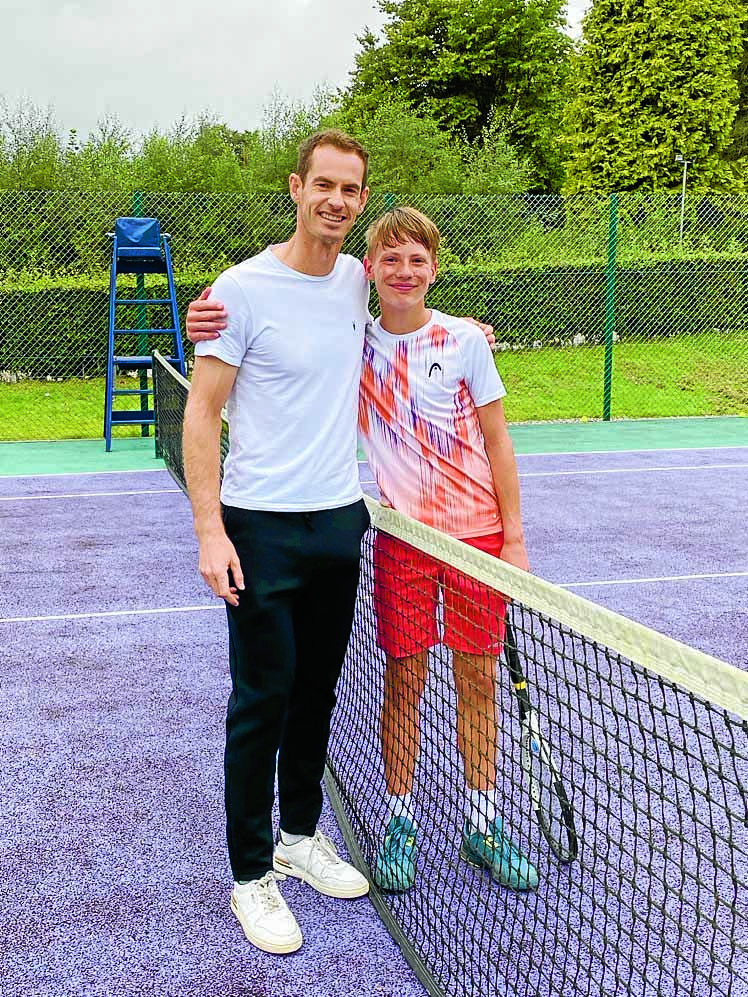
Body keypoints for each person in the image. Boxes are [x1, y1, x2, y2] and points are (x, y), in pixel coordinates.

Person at [182, 130, 374, 956]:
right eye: (323, 184)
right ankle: (251, 874)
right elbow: (201, 411)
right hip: (259, 525)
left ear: (360, 201)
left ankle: (300, 833)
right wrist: (209, 529)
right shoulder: (239, 289)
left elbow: (407, 315)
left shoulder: (359, 280)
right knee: (260, 702)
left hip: (339, 520)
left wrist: (460, 327)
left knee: (317, 694)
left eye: (351, 190)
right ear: (297, 188)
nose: (336, 200)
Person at [357, 207, 538, 893]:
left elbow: (498, 440)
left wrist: (514, 540)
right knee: (404, 685)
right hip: (404, 543)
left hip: (478, 542)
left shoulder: (465, 341)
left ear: (434, 267)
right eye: (391, 258)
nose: (404, 271)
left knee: (478, 685)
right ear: (370, 267)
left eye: (417, 259)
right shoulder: (354, 343)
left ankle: (484, 825)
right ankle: (399, 820)